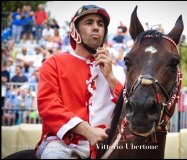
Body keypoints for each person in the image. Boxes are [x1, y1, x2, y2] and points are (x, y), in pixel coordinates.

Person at [35, 5, 123, 159]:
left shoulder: (117, 71)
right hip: (62, 144)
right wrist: (88, 131)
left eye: (100, 24)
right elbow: (48, 106)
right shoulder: (53, 64)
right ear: (75, 31)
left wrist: (110, 78)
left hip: (106, 145)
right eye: (89, 22)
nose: (96, 27)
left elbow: (129, 110)